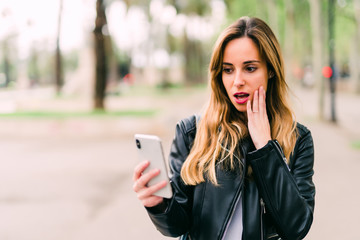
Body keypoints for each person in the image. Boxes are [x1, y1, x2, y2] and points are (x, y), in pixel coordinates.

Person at [133, 16, 315, 240]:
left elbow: (296, 228)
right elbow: (177, 226)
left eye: (249, 68)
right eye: (228, 70)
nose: (237, 80)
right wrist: (158, 205)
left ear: (270, 70)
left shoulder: (298, 138)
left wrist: (267, 148)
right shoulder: (192, 132)